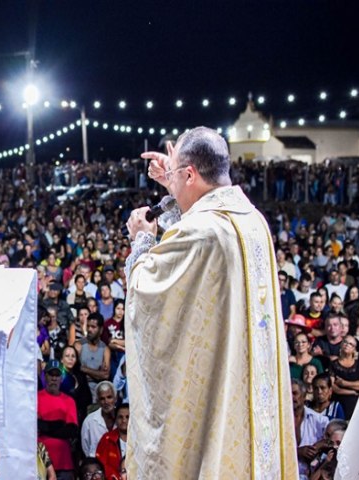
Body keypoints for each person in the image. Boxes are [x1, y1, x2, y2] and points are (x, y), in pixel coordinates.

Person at [125, 127, 297, 477]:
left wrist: (142, 240)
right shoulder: (252, 220)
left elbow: (144, 289)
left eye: (177, 174)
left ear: (190, 173)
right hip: (246, 385)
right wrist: (174, 187)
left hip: (219, 391)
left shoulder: (204, 232)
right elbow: (194, 224)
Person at [37, 359, 79, 480]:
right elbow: (34, 426)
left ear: (62, 378)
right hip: (40, 461)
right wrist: (59, 425)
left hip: (63, 462)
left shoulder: (69, 401)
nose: (54, 378)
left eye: (57, 375)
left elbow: (71, 431)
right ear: (45, 376)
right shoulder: (35, 398)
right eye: (51, 374)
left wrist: (45, 426)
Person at [81, 381, 117, 458]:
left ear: (115, 398)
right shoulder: (89, 421)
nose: (106, 402)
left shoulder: (123, 419)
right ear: (98, 401)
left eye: (109, 397)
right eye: (102, 399)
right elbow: (85, 448)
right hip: (97, 465)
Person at [331, 335, 359, 420]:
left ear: (354, 349)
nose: (347, 345)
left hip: (357, 405)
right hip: (339, 403)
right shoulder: (333, 364)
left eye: (351, 344)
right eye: (345, 342)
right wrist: (352, 392)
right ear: (341, 344)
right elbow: (334, 388)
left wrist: (344, 383)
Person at [95, 403, 129, 480]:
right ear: (116, 419)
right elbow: (100, 465)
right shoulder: (106, 439)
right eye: (120, 417)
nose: (124, 420)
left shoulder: (140, 440)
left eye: (127, 417)